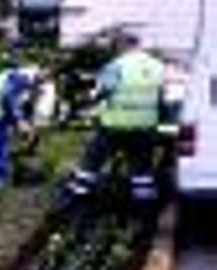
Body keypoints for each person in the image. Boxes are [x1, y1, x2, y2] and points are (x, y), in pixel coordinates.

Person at [65, 33, 165, 202]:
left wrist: (85, 102)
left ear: (121, 46)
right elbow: (161, 96)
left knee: (89, 165)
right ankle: (144, 212)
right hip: (145, 127)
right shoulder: (157, 66)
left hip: (114, 126)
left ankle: (74, 202)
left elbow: (101, 92)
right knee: (142, 172)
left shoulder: (116, 65)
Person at [0, 63, 41, 188]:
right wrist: (19, 121)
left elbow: (25, 105)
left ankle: (2, 172)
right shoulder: (20, 76)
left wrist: (27, 125)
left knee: (4, 140)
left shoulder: (32, 83)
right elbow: (9, 97)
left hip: (2, 105)